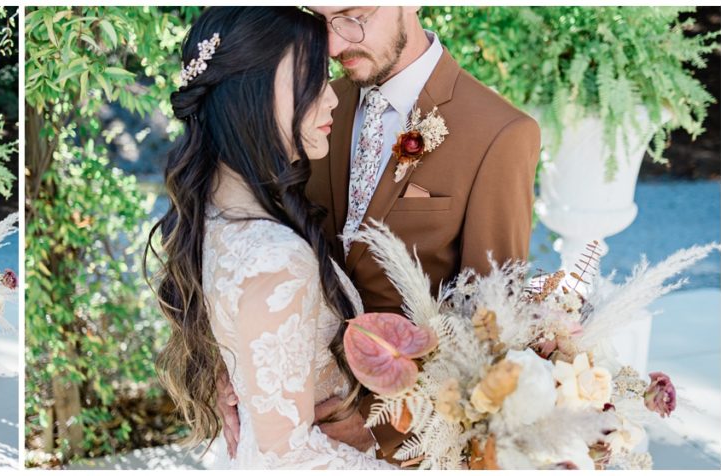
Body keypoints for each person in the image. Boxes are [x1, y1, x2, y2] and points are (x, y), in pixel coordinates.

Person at [218, 6, 542, 464]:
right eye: (320, 20)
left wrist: (377, 423)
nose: (332, 44)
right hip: (284, 427)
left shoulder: (499, 133)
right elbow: (246, 247)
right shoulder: (313, 107)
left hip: (404, 447)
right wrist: (232, 359)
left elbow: (491, 333)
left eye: (351, 15)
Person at [148, 6, 396, 469]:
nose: (333, 99)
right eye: (312, 78)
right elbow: (290, 457)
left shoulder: (215, 216)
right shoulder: (277, 258)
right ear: (253, 91)